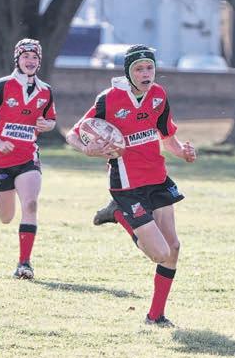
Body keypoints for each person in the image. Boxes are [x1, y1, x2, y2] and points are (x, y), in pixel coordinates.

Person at [66, 44, 197, 327]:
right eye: (139, 69)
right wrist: (87, 149)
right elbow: (73, 133)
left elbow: (167, 137)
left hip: (157, 179)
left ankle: (155, 316)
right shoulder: (109, 99)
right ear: (128, 72)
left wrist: (183, 153)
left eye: (150, 68)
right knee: (159, 253)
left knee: (173, 248)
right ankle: (117, 212)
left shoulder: (159, 95)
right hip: (127, 185)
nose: (146, 73)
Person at [0, 38, 57, 279]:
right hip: (1, 159)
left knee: (30, 205)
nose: (30, 61)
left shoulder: (46, 91)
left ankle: (24, 264)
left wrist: (48, 125)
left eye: (35, 57)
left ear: (39, 61)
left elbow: (51, 119)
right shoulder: (1, 85)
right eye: (25, 56)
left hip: (28, 157)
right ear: (17, 59)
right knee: (6, 217)